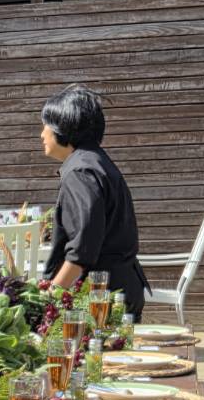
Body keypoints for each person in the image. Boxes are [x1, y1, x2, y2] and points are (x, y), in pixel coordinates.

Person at [39, 85, 147, 319]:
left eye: (45, 124)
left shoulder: (80, 172)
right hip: (118, 290)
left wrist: (50, 300)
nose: (42, 134)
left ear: (62, 126)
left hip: (100, 301)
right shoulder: (96, 162)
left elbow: (82, 251)